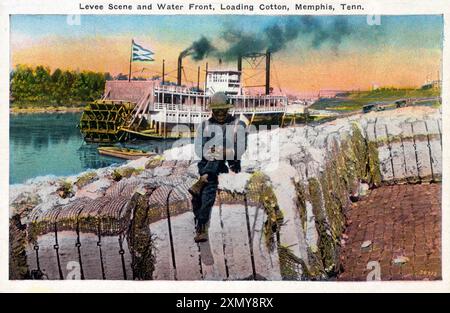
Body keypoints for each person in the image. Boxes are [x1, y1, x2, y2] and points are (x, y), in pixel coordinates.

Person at [189, 92, 247, 242]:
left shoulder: (238, 125)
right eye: (217, 110)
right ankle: (201, 226)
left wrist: (223, 151)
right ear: (212, 110)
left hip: (229, 164)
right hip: (208, 162)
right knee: (212, 177)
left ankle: (204, 179)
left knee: (209, 183)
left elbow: (240, 148)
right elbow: (199, 150)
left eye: (223, 110)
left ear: (228, 109)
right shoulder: (205, 126)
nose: (220, 114)